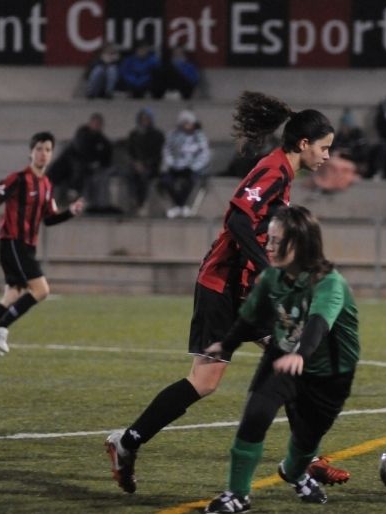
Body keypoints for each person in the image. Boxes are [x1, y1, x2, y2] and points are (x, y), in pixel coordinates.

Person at [105, 91, 350, 495]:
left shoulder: (284, 176)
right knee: (205, 381)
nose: (327, 156)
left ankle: (303, 465)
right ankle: (126, 442)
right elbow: (237, 219)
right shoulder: (273, 169)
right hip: (222, 285)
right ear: (304, 144)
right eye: (324, 148)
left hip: (244, 289)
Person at [202, 205, 360, 513]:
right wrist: (228, 345)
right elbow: (250, 317)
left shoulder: (329, 282)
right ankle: (238, 494)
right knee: (256, 414)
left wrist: (301, 354)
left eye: (276, 241)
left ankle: (294, 471)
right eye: (268, 239)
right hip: (283, 357)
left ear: (301, 243)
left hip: (329, 373)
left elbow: (319, 323)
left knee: (306, 439)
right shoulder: (272, 278)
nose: (268, 246)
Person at [0, 132, 84, 356]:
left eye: (48, 150)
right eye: (39, 149)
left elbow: (49, 219)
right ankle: (1, 327)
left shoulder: (47, 184)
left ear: (51, 154)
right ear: (31, 152)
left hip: (27, 245)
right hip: (12, 241)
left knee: (11, 296)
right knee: (41, 290)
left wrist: (70, 212)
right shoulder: (18, 178)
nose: (43, 154)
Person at [48, 113, 113, 204]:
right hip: (70, 161)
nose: (96, 126)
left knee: (79, 169)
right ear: (90, 124)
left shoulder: (103, 142)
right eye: (95, 123)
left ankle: (72, 194)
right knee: (56, 170)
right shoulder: (82, 135)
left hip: (84, 166)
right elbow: (80, 150)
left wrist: (96, 163)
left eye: (98, 124)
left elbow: (106, 158)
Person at [159, 109, 211, 218]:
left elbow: (204, 154)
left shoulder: (199, 136)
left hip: (192, 168)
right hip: (175, 167)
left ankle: (184, 206)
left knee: (191, 182)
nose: (189, 126)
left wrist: (194, 166)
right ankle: (176, 206)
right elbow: (167, 151)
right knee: (165, 181)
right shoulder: (172, 135)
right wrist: (172, 164)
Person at [126, 107, 165, 210]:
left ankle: (142, 203)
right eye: (143, 119)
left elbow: (158, 154)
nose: (145, 121)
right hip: (136, 166)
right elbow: (130, 152)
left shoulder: (158, 135)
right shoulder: (133, 135)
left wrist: (146, 164)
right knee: (130, 175)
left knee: (145, 176)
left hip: (151, 166)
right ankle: (134, 201)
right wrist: (136, 164)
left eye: (147, 119)